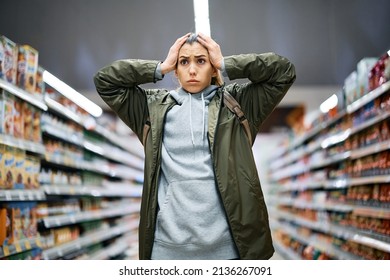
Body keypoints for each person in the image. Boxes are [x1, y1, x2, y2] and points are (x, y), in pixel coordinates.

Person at [94, 32, 296, 260]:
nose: (192, 69)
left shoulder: (238, 104)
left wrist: (227, 64)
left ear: (212, 68)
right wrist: (158, 68)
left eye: (200, 61)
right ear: (176, 70)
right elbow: (105, 81)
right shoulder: (152, 109)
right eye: (183, 62)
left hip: (229, 251)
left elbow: (283, 72)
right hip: (167, 251)